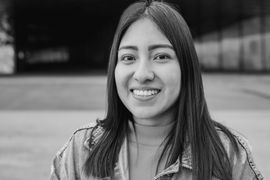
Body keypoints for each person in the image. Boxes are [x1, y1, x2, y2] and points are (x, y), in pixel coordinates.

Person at [50, 1, 263, 180]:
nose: (142, 74)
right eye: (128, 58)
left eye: (161, 56)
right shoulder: (82, 150)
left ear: (186, 67)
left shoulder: (228, 153)